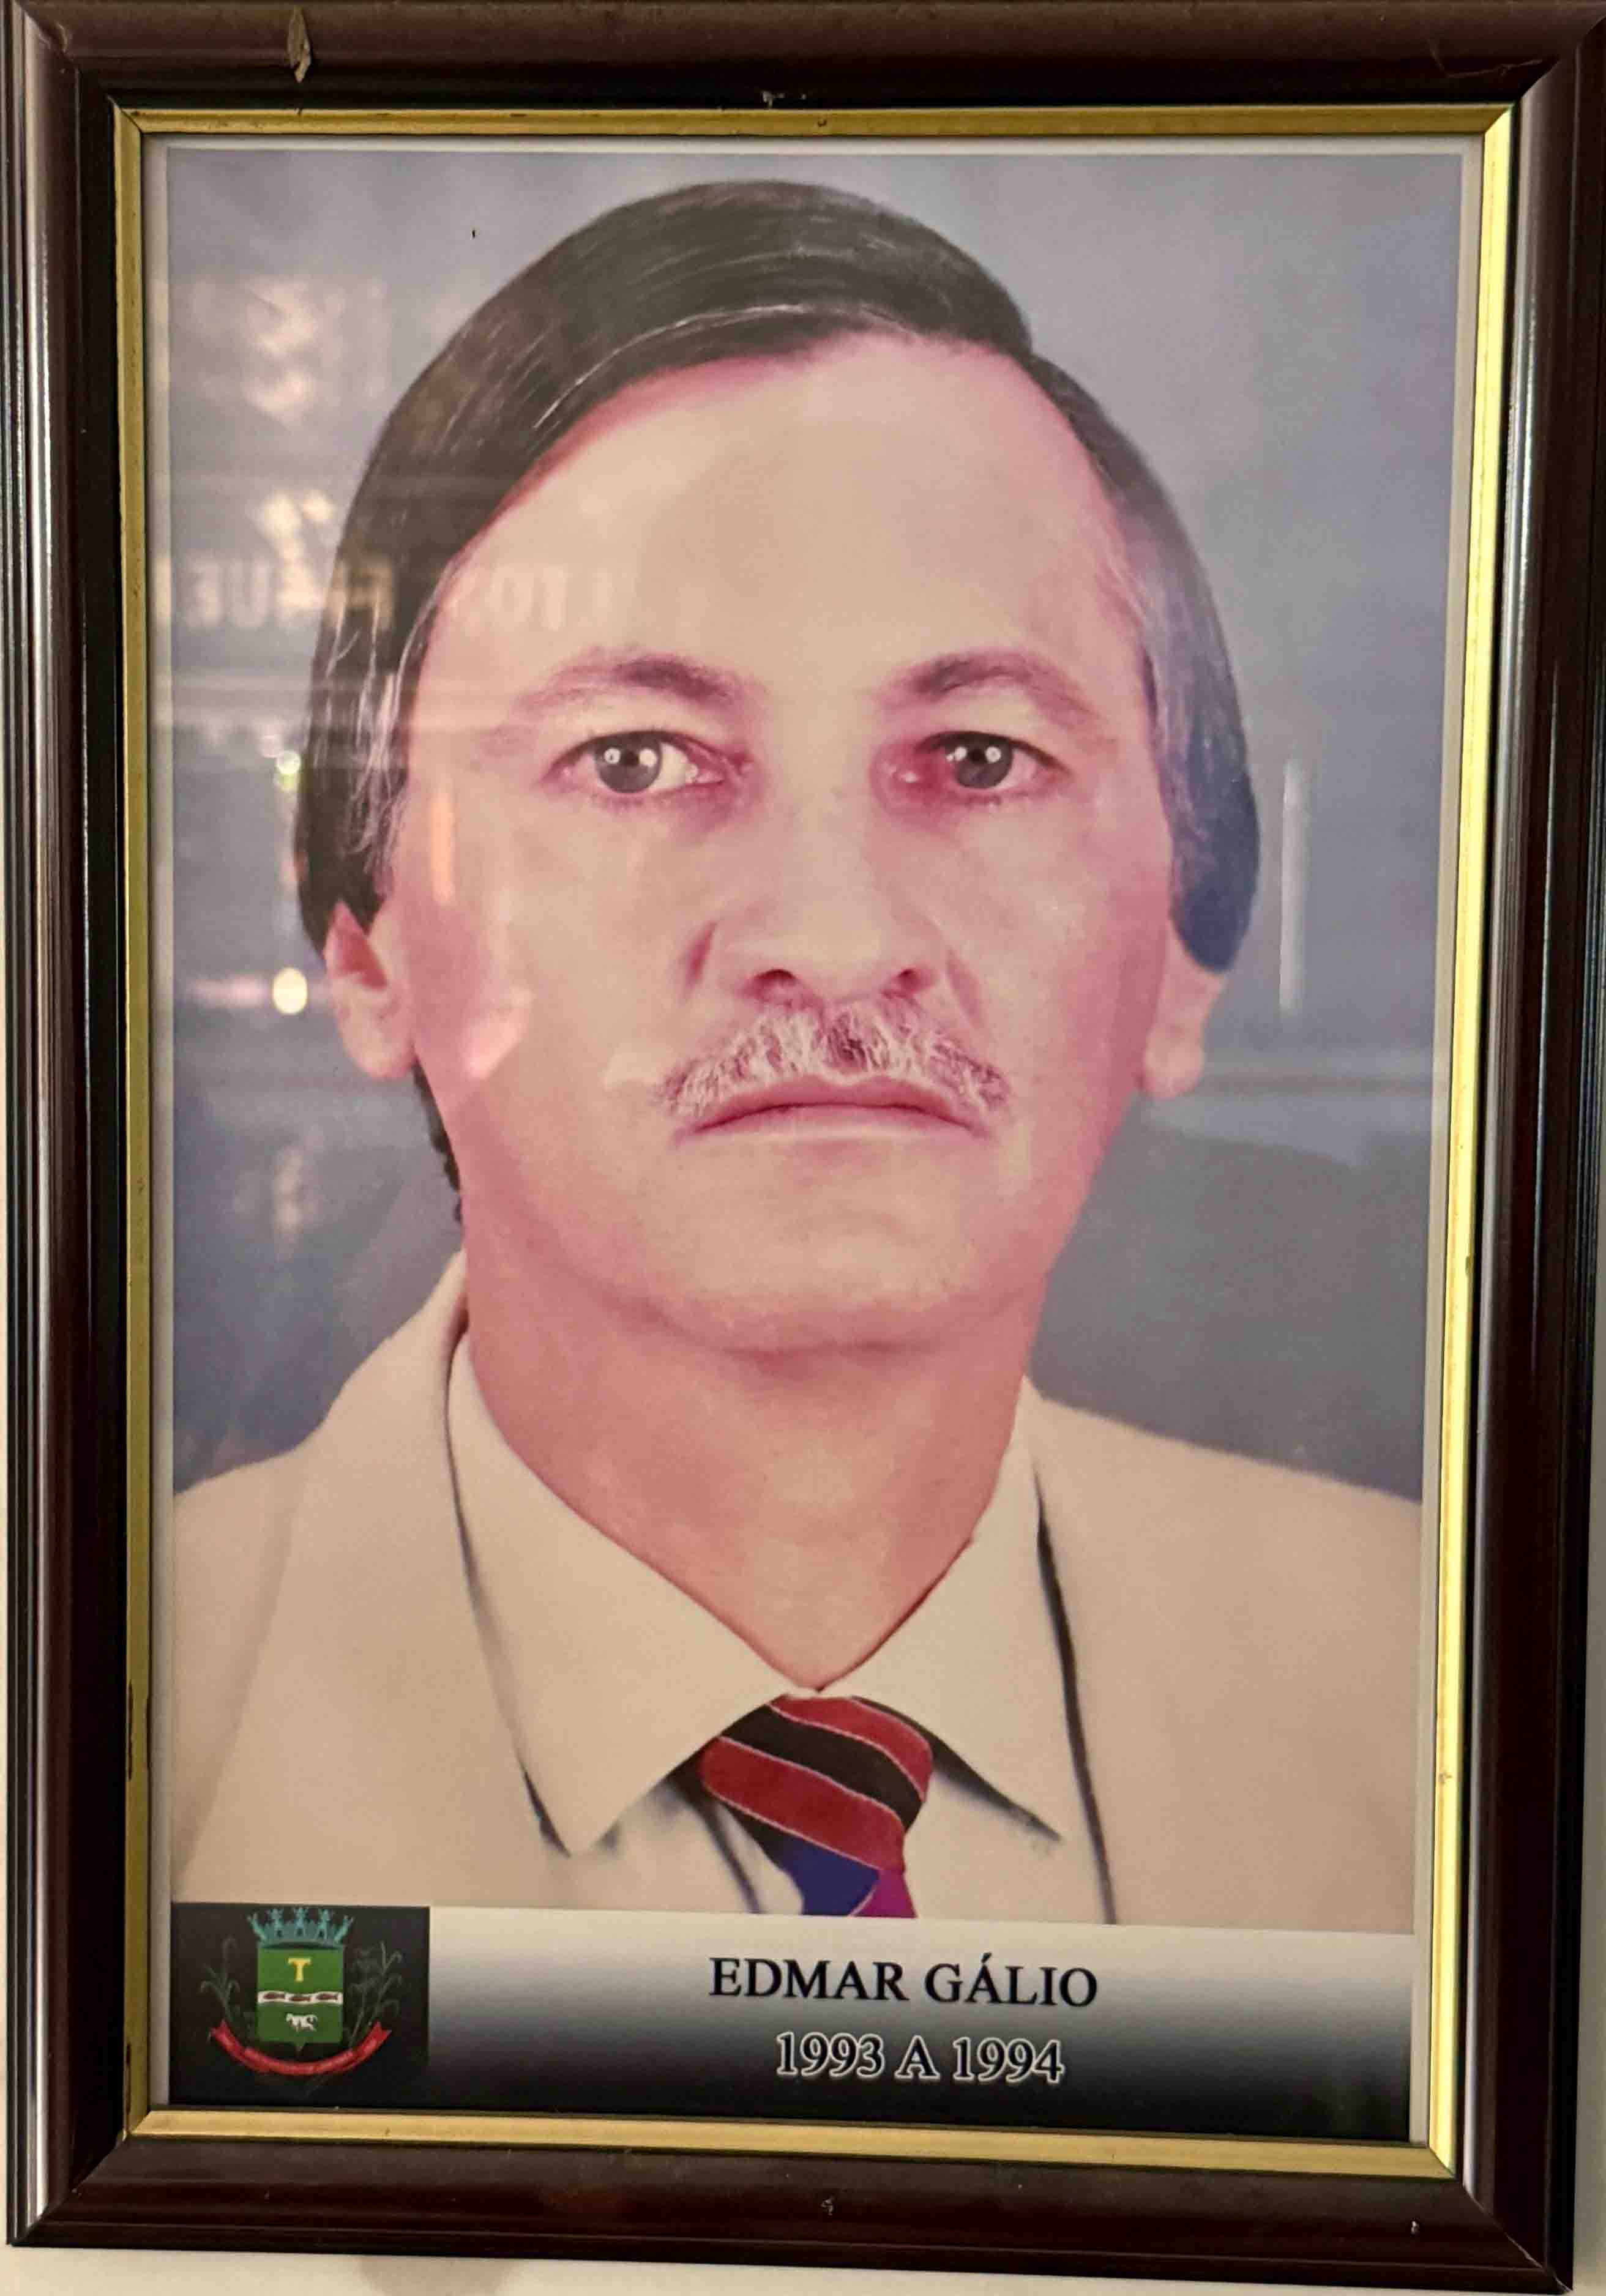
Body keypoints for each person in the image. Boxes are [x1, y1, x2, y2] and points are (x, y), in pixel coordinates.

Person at [173, 181, 1418, 1929]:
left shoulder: (1446, 1677)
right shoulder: (97, 1700)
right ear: (367, 950)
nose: (833, 937)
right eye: (635, 760)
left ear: (1186, 963)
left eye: (979, 759)